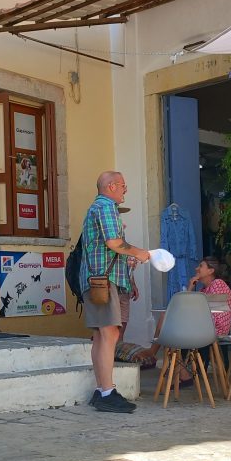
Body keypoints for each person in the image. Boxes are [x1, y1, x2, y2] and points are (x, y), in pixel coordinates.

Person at [80, 171, 150, 413]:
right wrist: (140, 253)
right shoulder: (106, 207)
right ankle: (107, 392)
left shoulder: (97, 208)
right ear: (111, 186)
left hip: (97, 280)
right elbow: (114, 243)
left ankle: (102, 390)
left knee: (102, 336)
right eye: (123, 185)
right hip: (103, 281)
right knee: (109, 334)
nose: (125, 190)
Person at [142, 256, 231, 386]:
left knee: (168, 321)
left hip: (214, 329)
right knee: (169, 324)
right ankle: (180, 372)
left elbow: (212, 315)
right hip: (204, 327)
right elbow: (185, 307)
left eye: (201, 266)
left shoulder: (218, 284)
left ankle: (155, 354)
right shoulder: (203, 290)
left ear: (211, 271)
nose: (196, 269)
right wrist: (190, 287)